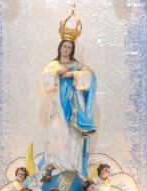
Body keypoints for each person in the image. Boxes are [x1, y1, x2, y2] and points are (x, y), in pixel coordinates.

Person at [38, 14, 95, 174]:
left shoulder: (77, 66)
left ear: (72, 50)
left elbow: (90, 77)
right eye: (65, 46)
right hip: (58, 105)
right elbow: (43, 84)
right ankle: (54, 166)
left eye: (70, 47)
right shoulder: (53, 65)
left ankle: (71, 167)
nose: (67, 49)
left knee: (72, 135)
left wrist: (74, 75)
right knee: (56, 131)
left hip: (74, 105)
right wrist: (56, 73)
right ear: (60, 48)